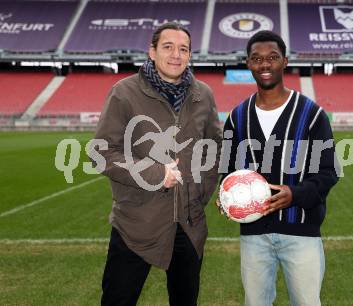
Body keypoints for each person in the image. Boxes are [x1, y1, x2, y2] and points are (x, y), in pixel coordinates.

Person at [94, 22, 222, 306]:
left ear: (190, 55)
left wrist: (200, 194)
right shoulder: (124, 92)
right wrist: (153, 173)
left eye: (183, 49)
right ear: (152, 51)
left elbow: (215, 148)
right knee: (118, 300)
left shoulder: (203, 94)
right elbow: (102, 152)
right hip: (137, 223)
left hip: (189, 225)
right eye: (168, 47)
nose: (176, 55)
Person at [219, 31, 339, 306]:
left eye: (272, 57)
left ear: (284, 61)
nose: (264, 64)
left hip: (301, 232)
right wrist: (227, 197)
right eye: (257, 58)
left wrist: (294, 195)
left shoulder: (311, 114)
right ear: (248, 63)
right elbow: (228, 170)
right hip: (254, 235)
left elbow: (328, 172)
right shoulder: (237, 117)